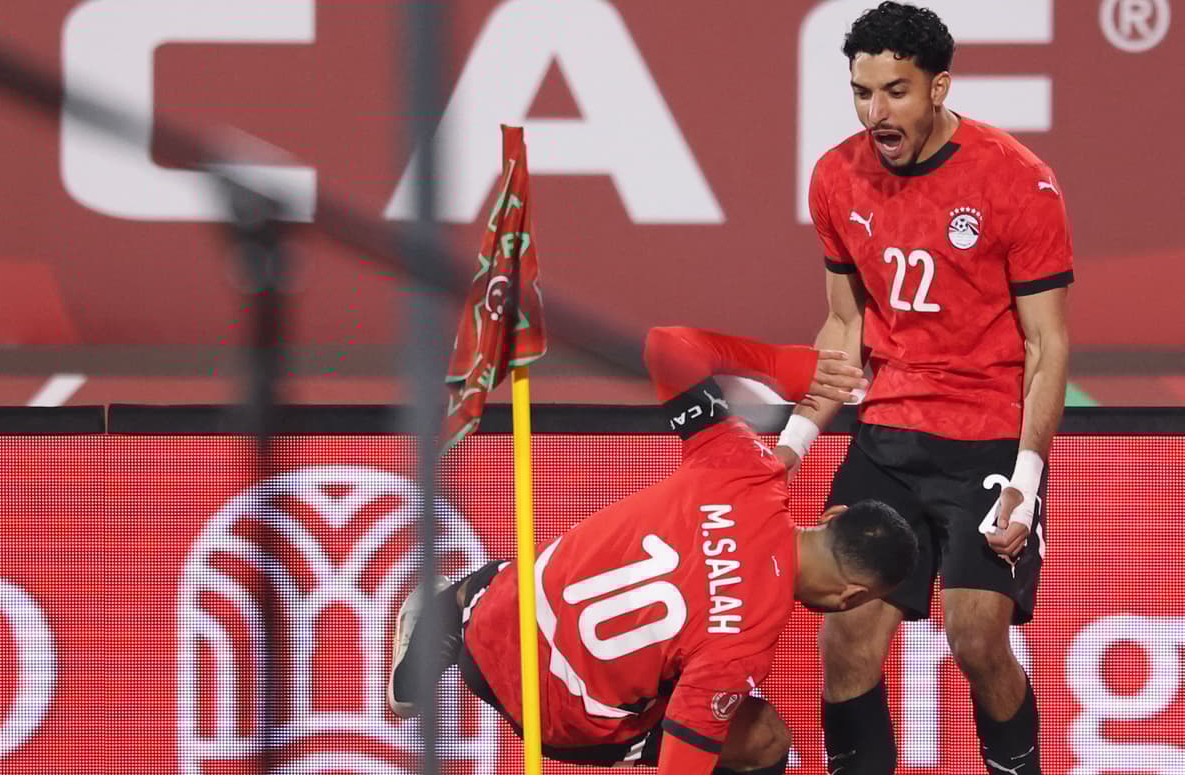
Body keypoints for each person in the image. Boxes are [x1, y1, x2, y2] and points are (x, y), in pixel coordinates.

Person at [389, 325, 919, 773]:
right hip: (558, 722)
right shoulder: (745, 643)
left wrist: (784, 366)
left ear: (831, 516)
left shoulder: (743, 468)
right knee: (765, 740)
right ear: (851, 596)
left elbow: (667, 345)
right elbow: (683, 764)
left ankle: (448, 608)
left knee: (542, 569)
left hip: (492, 628)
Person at [774, 1, 1073, 775]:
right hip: (887, 439)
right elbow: (845, 324)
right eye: (861, 92)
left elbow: (1047, 343)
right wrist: (792, 444)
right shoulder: (835, 177)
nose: (875, 112)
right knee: (845, 642)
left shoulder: (1018, 181)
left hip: (988, 443)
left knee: (975, 638)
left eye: (895, 91)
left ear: (939, 88)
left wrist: (1027, 479)